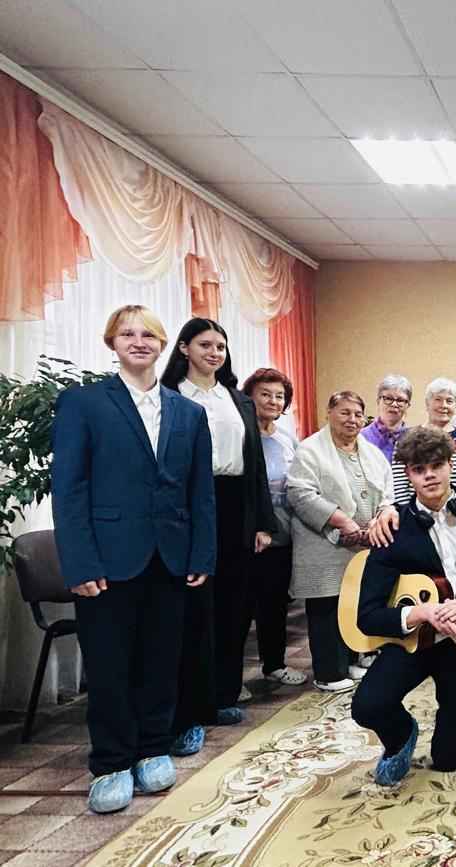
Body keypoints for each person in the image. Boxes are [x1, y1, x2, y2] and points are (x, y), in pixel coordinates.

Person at [51, 305, 215, 813]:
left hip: (172, 557)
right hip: (106, 561)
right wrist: (80, 564)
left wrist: (202, 553)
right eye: (128, 334)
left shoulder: (189, 413)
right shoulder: (83, 403)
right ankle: (112, 763)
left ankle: (152, 749)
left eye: (148, 334)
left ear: (163, 344)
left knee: (161, 661)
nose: (139, 341)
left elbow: (200, 492)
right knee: (109, 665)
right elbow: (69, 490)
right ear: (112, 342)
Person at [350, 427, 456, 785]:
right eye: (419, 469)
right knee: (367, 706)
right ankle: (401, 735)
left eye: (437, 465)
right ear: (408, 474)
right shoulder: (391, 529)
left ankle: (452, 729)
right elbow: (367, 614)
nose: (429, 475)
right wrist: (420, 613)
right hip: (414, 641)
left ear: (451, 464)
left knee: (447, 759)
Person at [160, 318, 276, 750]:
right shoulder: (169, 395)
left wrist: (263, 521)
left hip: (236, 505)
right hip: (191, 505)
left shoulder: (237, 399)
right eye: (205, 345)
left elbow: (256, 465)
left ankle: (221, 697)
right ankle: (189, 709)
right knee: (196, 611)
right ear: (184, 348)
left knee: (233, 608)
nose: (214, 353)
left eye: (220, 346)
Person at [288, 391, 395, 692]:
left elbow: (387, 493)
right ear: (329, 412)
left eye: (358, 414)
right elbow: (300, 493)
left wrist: (380, 518)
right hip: (323, 542)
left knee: (351, 603)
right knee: (326, 608)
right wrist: (342, 521)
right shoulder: (310, 450)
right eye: (345, 412)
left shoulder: (371, 452)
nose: (352, 419)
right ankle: (328, 673)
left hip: (363, 543)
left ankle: (349, 660)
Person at [242, 368, 306, 687]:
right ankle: (231, 679)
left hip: (284, 534)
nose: (273, 401)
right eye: (265, 394)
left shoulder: (287, 438)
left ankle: (275, 664)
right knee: (241, 609)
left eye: (279, 396)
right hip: (250, 536)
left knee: (275, 604)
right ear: (249, 397)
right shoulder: (242, 436)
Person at [388, 377, 456, 504]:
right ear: (427, 403)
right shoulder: (406, 439)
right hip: (419, 512)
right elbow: (399, 487)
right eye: (438, 399)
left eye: (449, 401)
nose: (444, 405)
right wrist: (410, 513)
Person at [360, 374, 413, 464]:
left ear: (408, 405)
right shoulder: (361, 437)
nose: (394, 404)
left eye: (400, 400)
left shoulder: (413, 440)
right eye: (388, 398)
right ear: (378, 401)